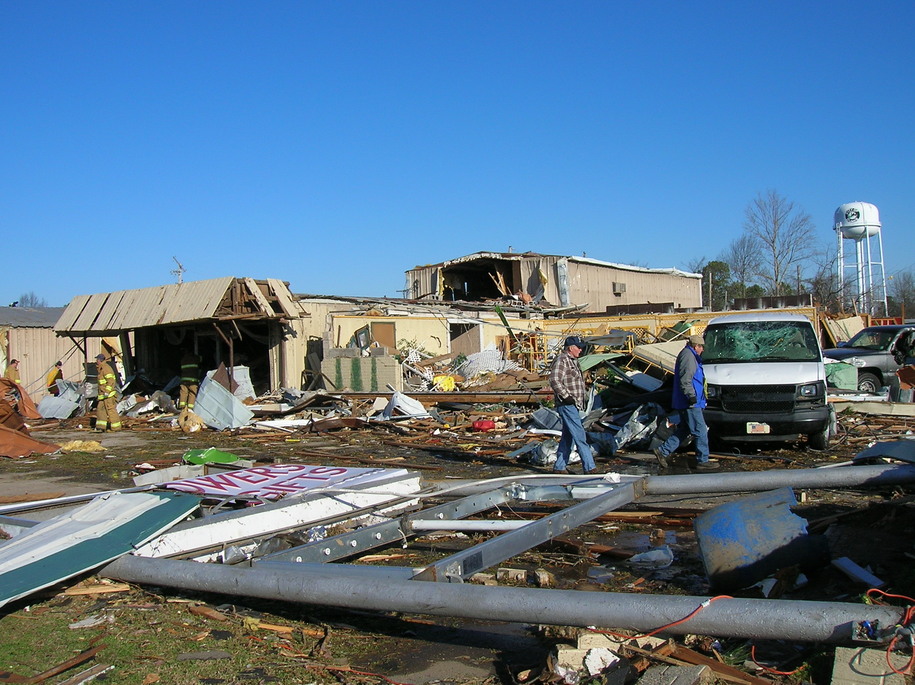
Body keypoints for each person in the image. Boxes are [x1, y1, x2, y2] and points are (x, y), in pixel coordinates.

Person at [654, 334, 719, 471]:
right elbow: (686, 380)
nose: (703, 350)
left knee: (686, 429)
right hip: (690, 402)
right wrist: (692, 396)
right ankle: (703, 460)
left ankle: (663, 451)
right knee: (700, 430)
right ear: (697, 346)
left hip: (688, 401)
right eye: (702, 348)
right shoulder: (689, 357)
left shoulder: (689, 355)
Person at [549, 335, 597, 475]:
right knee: (580, 435)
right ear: (571, 348)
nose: (581, 350)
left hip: (573, 404)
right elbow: (554, 379)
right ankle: (589, 467)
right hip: (567, 404)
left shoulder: (573, 361)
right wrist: (566, 396)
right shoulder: (562, 360)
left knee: (568, 436)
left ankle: (559, 466)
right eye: (579, 347)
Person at [95, 353, 122, 432]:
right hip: (103, 395)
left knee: (111, 410)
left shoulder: (106, 368)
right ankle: (101, 427)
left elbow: (111, 381)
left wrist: (107, 391)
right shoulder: (101, 368)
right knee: (101, 409)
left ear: (100, 360)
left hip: (108, 395)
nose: (96, 361)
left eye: (97, 360)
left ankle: (116, 427)